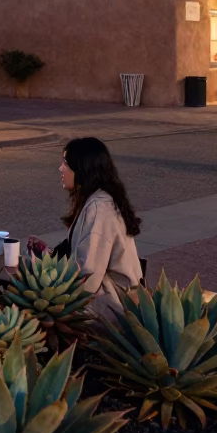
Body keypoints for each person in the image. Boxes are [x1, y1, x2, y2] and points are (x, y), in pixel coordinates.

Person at [58, 136, 142, 320]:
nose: (61, 168)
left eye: (65, 163)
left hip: (110, 307)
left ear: (82, 168)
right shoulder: (98, 199)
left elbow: (88, 278)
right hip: (109, 298)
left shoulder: (99, 208)